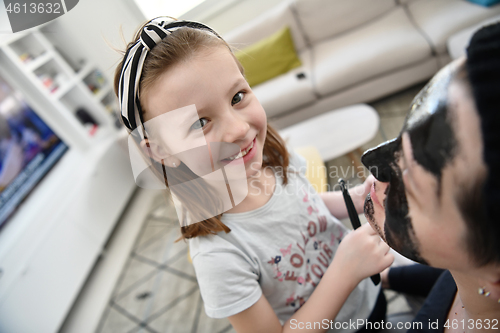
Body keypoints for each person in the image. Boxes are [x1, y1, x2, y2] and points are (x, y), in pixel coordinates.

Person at [114, 17, 393, 333]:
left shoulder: (269, 162)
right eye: (199, 122)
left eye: (236, 97)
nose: (238, 129)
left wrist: (356, 199)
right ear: (161, 151)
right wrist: (345, 271)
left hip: (369, 298)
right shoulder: (218, 255)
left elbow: (307, 207)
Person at [361, 23, 500, 332]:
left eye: (410, 177)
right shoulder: (475, 271)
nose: (373, 162)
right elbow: (453, 278)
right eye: (402, 135)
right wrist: (387, 278)